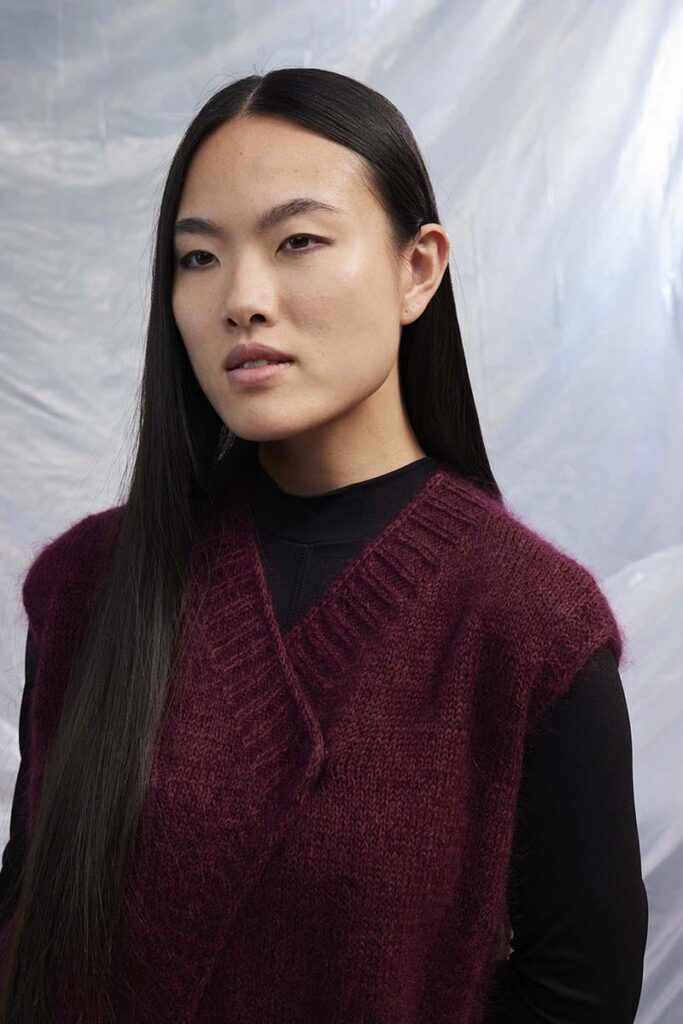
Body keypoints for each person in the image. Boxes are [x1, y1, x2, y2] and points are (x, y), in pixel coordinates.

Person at [0, 67, 647, 1023]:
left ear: (416, 269)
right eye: (198, 257)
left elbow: (577, 996)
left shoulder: (530, 624)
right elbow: (26, 924)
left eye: (297, 241)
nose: (242, 299)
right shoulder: (87, 583)